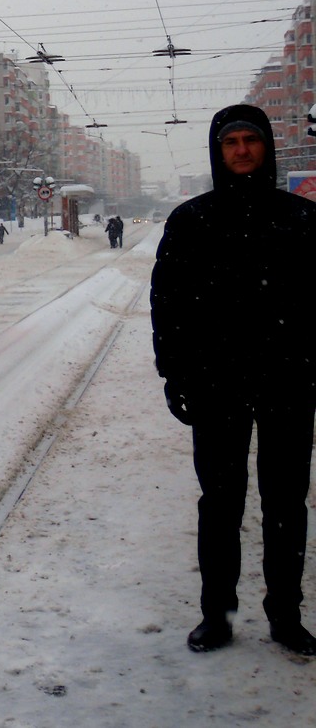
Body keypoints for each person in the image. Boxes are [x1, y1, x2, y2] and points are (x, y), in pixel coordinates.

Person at [151, 104, 316, 656]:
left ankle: (285, 615)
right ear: (218, 151)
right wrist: (175, 374)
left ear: (266, 147)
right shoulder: (192, 220)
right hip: (216, 385)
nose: (241, 149)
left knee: (287, 502)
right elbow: (168, 305)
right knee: (219, 502)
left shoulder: (301, 219)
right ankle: (216, 614)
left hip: (289, 383)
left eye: (250, 140)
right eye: (231, 142)